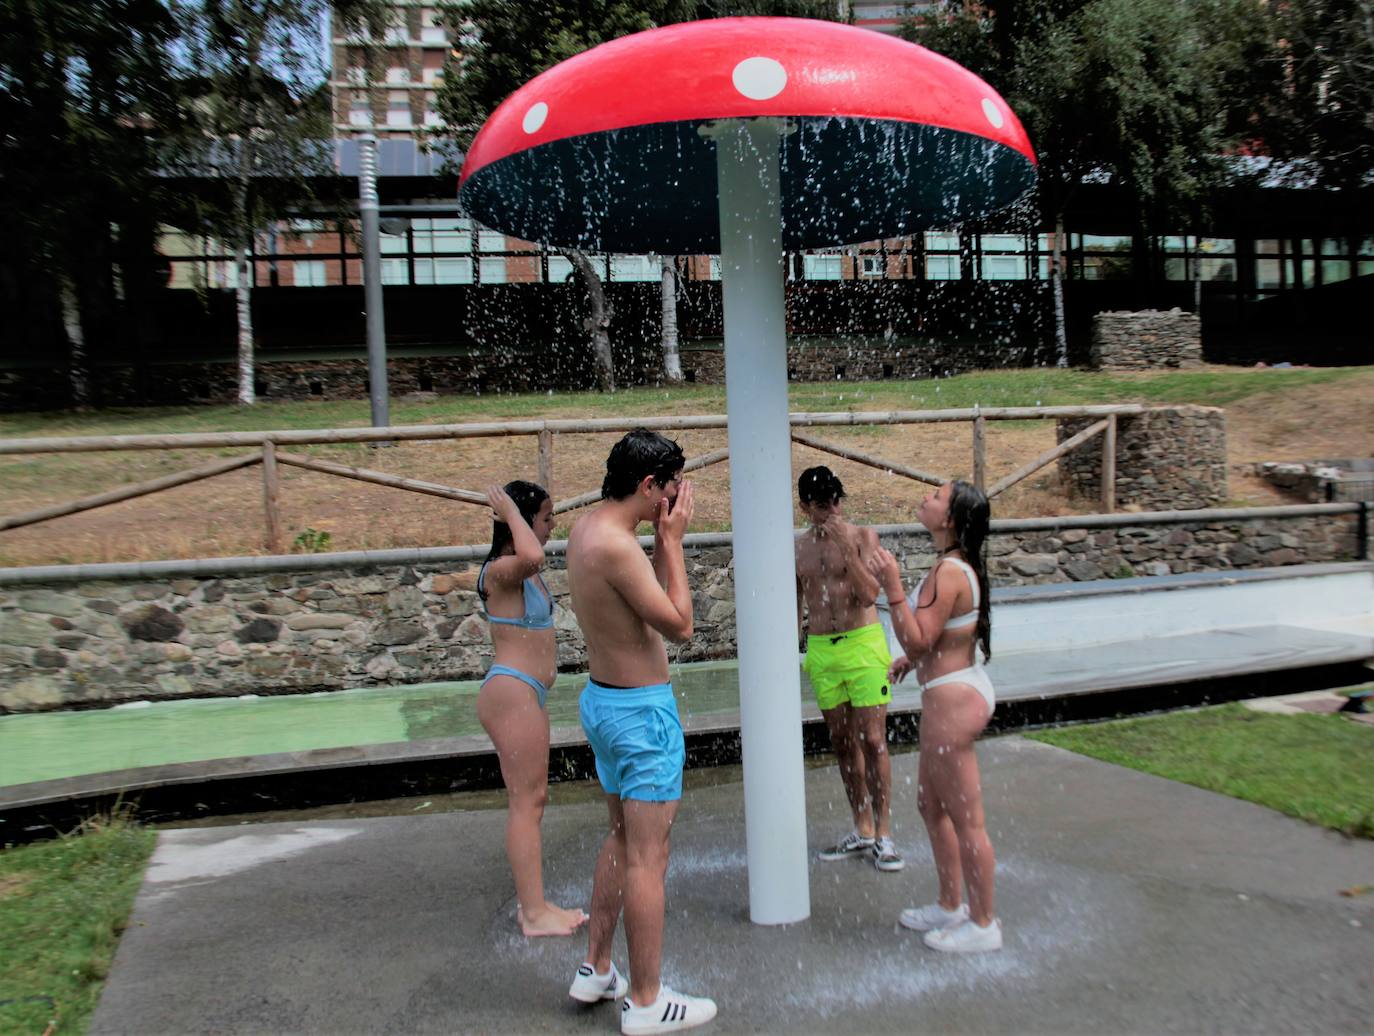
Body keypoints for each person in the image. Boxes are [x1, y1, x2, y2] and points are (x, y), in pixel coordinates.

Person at [564, 430, 717, 1035]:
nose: (680, 494)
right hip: (640, 716)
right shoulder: (620, 546)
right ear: (649, 485)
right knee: (648, 859)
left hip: (606, 703)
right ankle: (649, 1002)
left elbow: (643, 602)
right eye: (673, 483)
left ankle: (597, 968)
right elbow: (680, 623)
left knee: (624, 841)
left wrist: (658, 542)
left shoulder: (589, 530)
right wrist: (673, 542)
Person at [867, 478, 1002, 954]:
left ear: (949, 520)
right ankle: (950, 904)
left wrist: (892, 586)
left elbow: (919, 637)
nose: (927, 497)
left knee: (967, 820)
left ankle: (983, 923)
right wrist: (914, 660)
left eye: (937, 496)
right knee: (932, 805)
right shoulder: (952, 565)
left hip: (953, 701)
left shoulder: (948, 571)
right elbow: (938, 640)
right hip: (949, 689)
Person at [475, 481, 588, 938]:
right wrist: (510, 513)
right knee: (527, 803)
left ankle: (534, 905)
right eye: (545, 518)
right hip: (511, 692)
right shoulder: (500, 570)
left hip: (527, 694)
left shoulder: (522, 570)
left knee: (533, 801)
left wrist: (516, 517)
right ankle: (534, 913)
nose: (551, 526)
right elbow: (534, 556)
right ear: (519, 521)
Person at [794, 466, 904, 873]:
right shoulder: (799, 548)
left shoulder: (862, 536)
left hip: (863, 645)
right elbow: (796, 603)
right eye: (822, 505)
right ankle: (862, 826)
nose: (832, 510)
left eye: (836, 501)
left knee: (873, 739)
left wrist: (846, 546)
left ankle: (885, 834)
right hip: (823, 649)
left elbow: (870, 594)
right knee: (842, 742)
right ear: (805, 506)